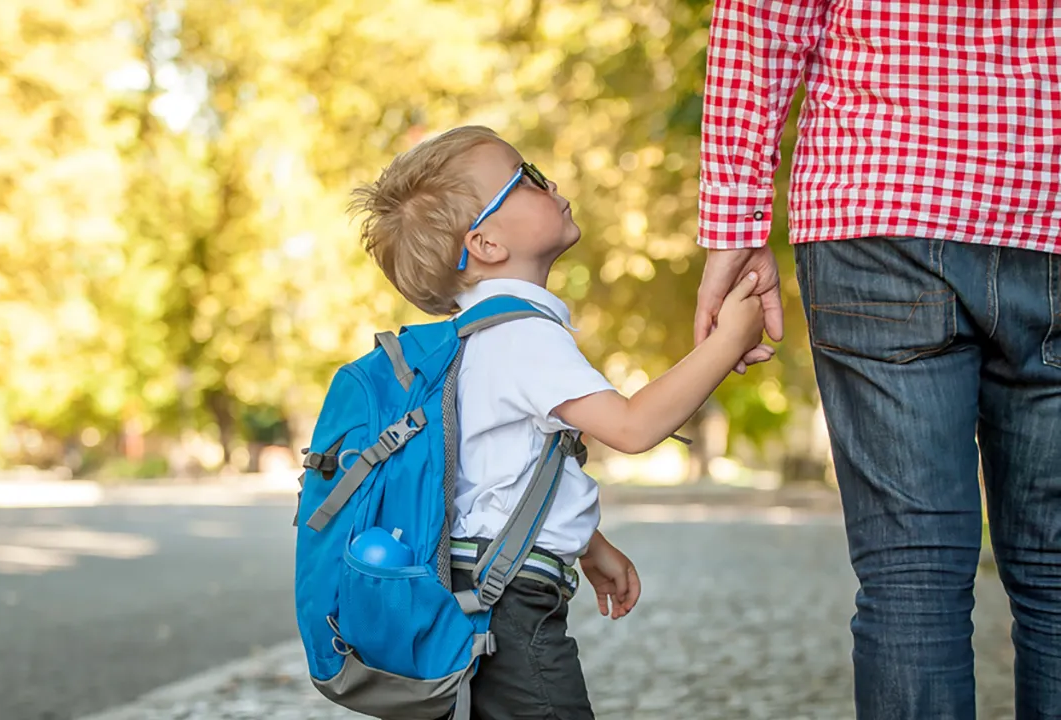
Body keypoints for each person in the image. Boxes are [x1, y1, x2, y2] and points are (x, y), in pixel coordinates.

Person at [693, 2, 1061, 718]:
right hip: (1047, 197)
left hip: (881, 194)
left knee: (910, 573)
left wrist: (735, 226)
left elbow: (762, 17)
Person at [350, 124, 766, 719]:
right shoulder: (520, 335)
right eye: (528, 180)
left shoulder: (478, 338)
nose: (550, 185)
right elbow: (631, 427)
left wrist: (590, 548)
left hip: (487, 584)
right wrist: (728, 342)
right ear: (488, 244)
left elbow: (501, 479)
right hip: (511, 604)